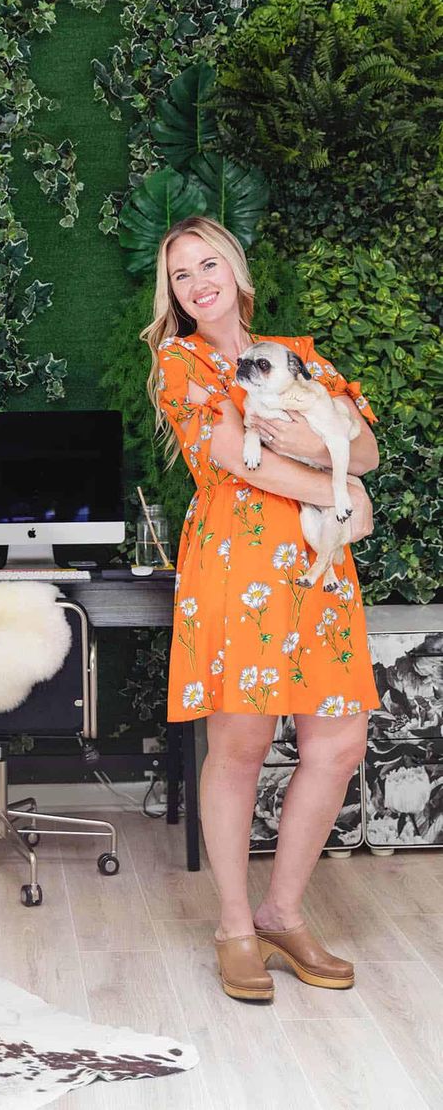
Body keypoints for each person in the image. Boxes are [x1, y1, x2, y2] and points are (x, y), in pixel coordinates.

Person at [142, 215, 379, 1005]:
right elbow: (234, 461)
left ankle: (284, 912)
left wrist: (324, 459)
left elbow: (366, 447)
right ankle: (236, 927)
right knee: (239, 745)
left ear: (237, 272)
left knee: (339, 743)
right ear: (173, 294)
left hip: (318, 567)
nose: (197, 282)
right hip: (237, 562)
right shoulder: (181, 362)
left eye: (208, 264)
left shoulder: (300, 354)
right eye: (181, 275)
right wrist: (341, 494)